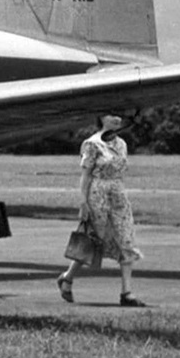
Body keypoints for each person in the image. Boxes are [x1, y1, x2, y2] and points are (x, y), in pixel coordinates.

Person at [58, 113, 144, 306]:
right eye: (111, 115)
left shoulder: (122, 144)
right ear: (101, 118)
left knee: (126, 238)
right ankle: (68, 277)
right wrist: (83, 202)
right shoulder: (92, 144)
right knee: (94, 239)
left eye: (119, 115)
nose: (117, 118)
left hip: (118, 194)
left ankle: (127, 293)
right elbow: (86, 174)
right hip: (98, 193)